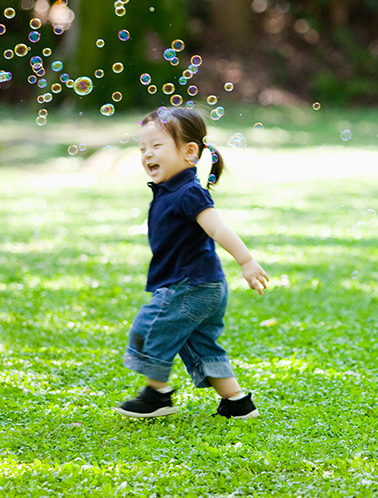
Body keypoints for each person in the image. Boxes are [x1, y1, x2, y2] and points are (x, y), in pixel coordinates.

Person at [115, 107, 270, 420]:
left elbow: (218, 228)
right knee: (199, 344)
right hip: (203, 286)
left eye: (157, 146)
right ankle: (237, 404)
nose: (147, 155)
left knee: (150, 327)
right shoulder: (168, 191)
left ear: (190, 153)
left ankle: (157, 394)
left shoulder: (189, 193)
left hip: (189, 285)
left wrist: (247, 261)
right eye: (142, 148)